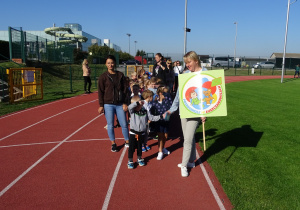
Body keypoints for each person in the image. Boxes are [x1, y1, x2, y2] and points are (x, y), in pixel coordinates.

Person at [164, 51, 207, 177]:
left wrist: (206, 113)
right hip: (184, 110)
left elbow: (209, 95)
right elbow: (179, 94)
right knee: (189, 137)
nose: (187, 65)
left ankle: (184, 165)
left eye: (189, 62)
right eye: (186, 63)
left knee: (187, 139)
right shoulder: (185, 74)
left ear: (196, 61)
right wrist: (172, 109)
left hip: (197, 112)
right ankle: (191, 161)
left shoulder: (205, 73)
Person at [98, 55, 130, 152]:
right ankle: (113, 143)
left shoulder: (120, 75)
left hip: (120, 104)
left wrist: (125, 103)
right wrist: (101, 105)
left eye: (112, 62)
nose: (110, 64)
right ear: (106, 64)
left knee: (124, 124)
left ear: (114, 63)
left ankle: (127, 141)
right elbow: (100, 91)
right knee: (110, 125)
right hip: (108, 104)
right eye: (108, 63)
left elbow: (125, 90)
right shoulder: (103, 77)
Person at [127, 95, 162, 169]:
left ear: (142, 104)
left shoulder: (145, 111)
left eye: (138, 105)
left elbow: (151, 117)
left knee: (140, 147)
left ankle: (139, 158)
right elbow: (129, 107)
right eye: (135, 105)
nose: (136, 107)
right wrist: (136, 103)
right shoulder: (132, 111)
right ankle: (130, 160)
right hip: (133, 133)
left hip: (142, 133)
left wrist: (160, 117)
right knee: (131, 148)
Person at [152, 86, 173, 160]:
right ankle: (160, 151)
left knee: (165, 136)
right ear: (160, 93)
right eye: (165, 94)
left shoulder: (167, 101)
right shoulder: (154, 103)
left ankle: (163, 147)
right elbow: (151, 111)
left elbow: (171, 108)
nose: (167, 96)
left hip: (166, 121)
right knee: (160, 136)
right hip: (159, 122)